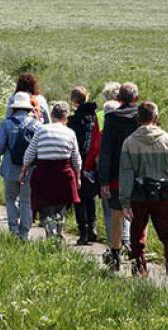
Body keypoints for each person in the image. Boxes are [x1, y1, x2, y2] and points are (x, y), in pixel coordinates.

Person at [118, 101, 168, 287]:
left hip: (140, 196)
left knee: (137, 233)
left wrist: (125, 202)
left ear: (138, 119)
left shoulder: (130, 142)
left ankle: (140, 271)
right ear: (156, 118)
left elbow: (126, 174)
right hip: (166, 196)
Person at [23, 102, 82, 240]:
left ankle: (51, 233)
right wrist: (78, 176)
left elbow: (30, 153)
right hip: (64, 175)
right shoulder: (70, 133)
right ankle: (58, 233)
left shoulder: (42, 130)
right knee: (61, 208)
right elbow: (76, 158)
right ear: (66, 117)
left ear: (52, 115)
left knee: (47, 207)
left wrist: (24, 169)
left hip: (44, 175)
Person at [97, 82, 140, 271]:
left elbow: (105, 151)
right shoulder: (143, 116)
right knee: (138, 214)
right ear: (136, 98)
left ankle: (115, 254)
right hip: (138, 174)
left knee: (116, 214)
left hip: (115, 174)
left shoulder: (111, 118)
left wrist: (103, 180)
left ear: (119, 99)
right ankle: (137, 253)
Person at [0, 93, 41, 239]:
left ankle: (13, 229)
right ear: (28, 108)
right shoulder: (37, 125)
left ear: (14, 107)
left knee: (10, 198)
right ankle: (24, 233)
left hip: (10, 168)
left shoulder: (6, 124)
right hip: (29, 169)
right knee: (26, 200)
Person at [67, 86, 102, 245]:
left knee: (79, 197)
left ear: (74, 101)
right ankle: (92, 228)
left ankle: (83, 232)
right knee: (90, 196)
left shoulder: (73, 120)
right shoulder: (96, 117)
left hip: (78, 161)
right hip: (93, 161)